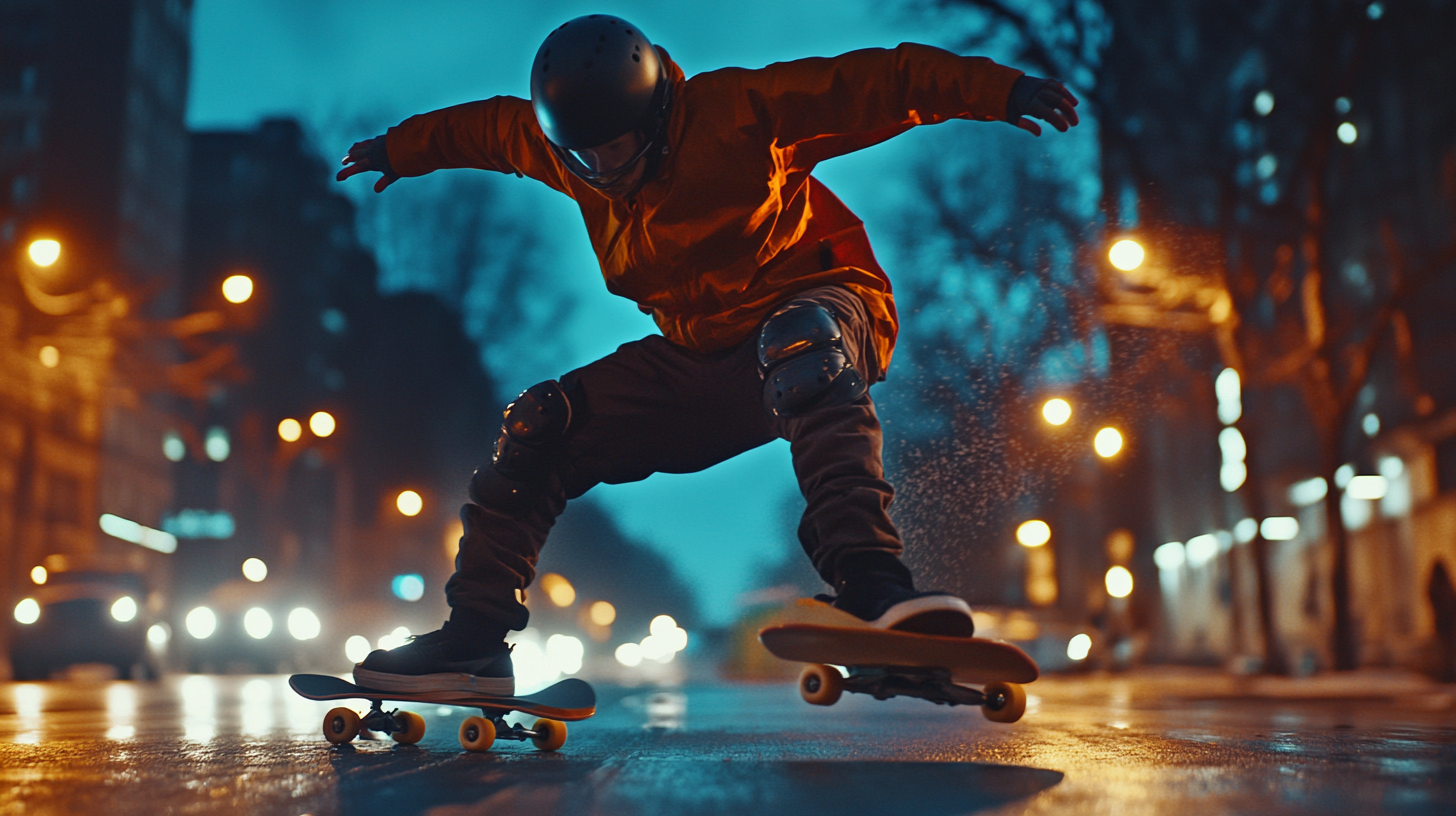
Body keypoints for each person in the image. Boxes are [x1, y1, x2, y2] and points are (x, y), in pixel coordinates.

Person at [338, 14, 1079, 695]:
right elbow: (486, 129)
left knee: (801, 346)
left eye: (618, 148)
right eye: (584, 155)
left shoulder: (741, 112)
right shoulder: (564, 152)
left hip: (824, 299)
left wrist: (1000, 90)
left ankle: (872, 579)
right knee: (540, 425)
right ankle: (474, 636)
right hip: (702, 356)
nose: (605, 168)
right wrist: (398, 149)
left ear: (656, 116)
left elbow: (881, 82)